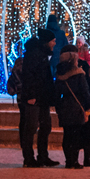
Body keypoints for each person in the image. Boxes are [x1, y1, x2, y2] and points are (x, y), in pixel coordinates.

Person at [18, 30, 59, 167]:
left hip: (42, 97)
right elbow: (29, 76)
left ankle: (42, 156)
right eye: (53, 41)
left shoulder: (43, 55)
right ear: (47, 42)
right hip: (35, 97)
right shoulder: (35, 55)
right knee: (31, 127)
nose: (54, 43)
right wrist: (31, 95)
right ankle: (29, 158)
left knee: (45, 126)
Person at [54, 44, 90, 169]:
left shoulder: (59, 73)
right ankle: (74, 161)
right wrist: (89, 105)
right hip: (76, 107)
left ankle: (68, 160)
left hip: (64, 107)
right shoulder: (78, 73)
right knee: (75, 135)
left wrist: (59, 107)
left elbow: (56, 92)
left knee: (67, 135)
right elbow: (84, 91)